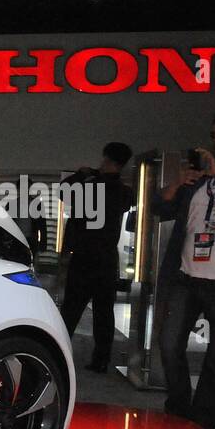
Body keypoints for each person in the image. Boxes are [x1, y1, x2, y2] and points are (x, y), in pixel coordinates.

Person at [155, 111, 215, 429]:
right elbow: (161, 206)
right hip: (185, 276)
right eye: (214, 134)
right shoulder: (196, 180)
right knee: (169, 345)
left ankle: (203, 422)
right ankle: (180, 409)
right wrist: (177, 182)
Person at [59, 141, 133, 372]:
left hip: (84, 256)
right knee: (104, 312)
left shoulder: (91, 187)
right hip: (107, 258)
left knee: (71, 309)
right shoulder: (125, 192)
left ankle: (59, 353)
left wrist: (81, 174)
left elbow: (64, 191)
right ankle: (101, 360)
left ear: (109, 161)